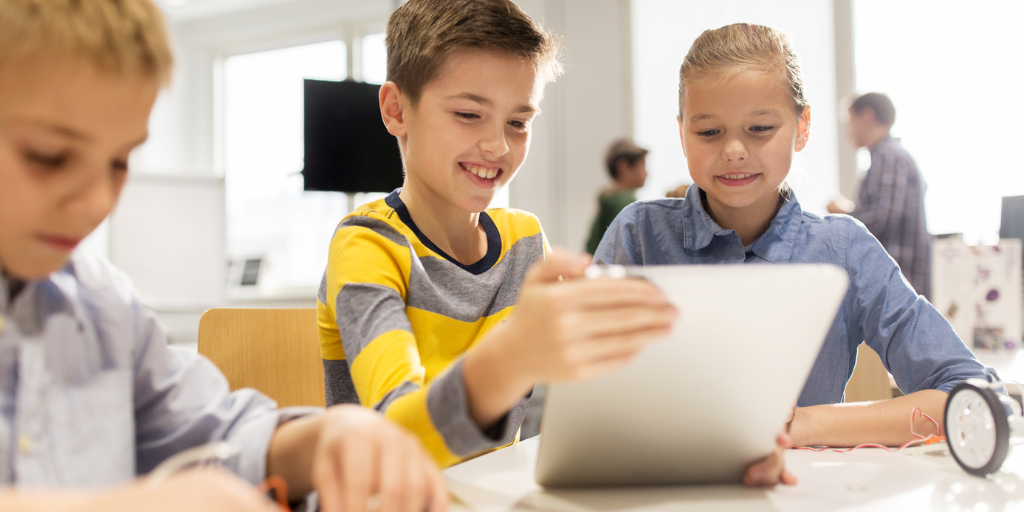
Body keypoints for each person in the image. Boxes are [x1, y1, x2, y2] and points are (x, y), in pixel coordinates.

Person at [319, 0, 788, 486]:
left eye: (518, 122)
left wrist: (726, 448)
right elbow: (398, 437)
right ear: (396, 110)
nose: (498, 145)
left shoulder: (524, 240)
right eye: (467, 114)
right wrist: (511, 356)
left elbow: (597, 411)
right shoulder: (366, 246)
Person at [0, 2, 446, 511]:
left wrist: (325, 440)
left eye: (119, 161)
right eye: (48, 156)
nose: (98, 202)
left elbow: (216, 437)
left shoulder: (103, 308)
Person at [594, 23, 989, 453]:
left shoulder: (844, 250)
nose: (733, 151)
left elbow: (971, 397)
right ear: (682, 132)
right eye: (708, 132)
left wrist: (802, 424)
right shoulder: (637, 236)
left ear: (802, 127)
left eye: (760, 128)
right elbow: (584, 397)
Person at [827, 93, 931, 299]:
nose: (848, 132)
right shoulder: (895, 155)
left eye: (851, 122)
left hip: (898, 283)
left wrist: (841, 214)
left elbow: (882, 218)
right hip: (904, 282)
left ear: (867, 117)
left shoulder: (888, 156)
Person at [585, 139, 648, 254]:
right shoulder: (625, 203)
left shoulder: (608, 197)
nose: (646, 172)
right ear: (623, 166)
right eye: (642, 165)